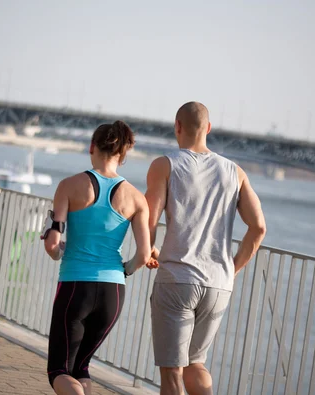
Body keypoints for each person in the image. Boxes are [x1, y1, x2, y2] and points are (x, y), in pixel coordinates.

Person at [145, 102, 266, 395]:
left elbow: (149, 218)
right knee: (195, 364)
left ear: (177, 126)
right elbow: (259, 227)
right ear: (208, 129)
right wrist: (232, 269)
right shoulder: (235, 172)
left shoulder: (166, 164)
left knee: (172, 372)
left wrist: (148, 249)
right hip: (218, 284)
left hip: (178, 279)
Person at [42, 120, 154, 395]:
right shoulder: (137, 199)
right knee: (81, 368)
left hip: (74, 286)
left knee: (59, 370)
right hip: (113, 292)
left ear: (92, 146)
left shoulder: (69, 186)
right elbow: (143, 254)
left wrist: (57, 250)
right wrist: (124, 269)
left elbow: (53, 245)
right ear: (123, 155)